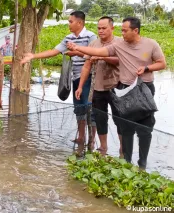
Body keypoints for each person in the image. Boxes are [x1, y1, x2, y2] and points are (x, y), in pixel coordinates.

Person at [66, 17, 166, 169]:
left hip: (144, 89)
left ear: (136, 31)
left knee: (145, 128)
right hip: (124, 89)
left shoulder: (150, 44)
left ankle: (142, 163)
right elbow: (98, 51)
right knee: (126, 128)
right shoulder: (119, 45)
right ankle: (126, 162)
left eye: (125, 31)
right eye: (122, 30)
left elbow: (162, 63)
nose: (123, 33)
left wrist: (146, 69)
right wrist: (77, 48)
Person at [21, 11, 97, 152]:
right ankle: (81, 137)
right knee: (79, 108)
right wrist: (33, 56)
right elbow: (54, 51)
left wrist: (76, 52)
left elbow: (94, 55)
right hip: (75, 77)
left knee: (89, 108)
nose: (69, 24)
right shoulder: (68, 38)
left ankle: (92, 140)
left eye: (70, 21)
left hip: (88, 78)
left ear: (79, 23)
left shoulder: (91, 36)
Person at [75, 16, 122, 156]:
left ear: (112, 28)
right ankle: (103, 147)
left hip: (117, 87)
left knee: (119, 118)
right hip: (98, 87)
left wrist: (102, 57)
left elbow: (119, 61)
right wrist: (80, 86)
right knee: (100, 118)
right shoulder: (94, 44)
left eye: (104, 28)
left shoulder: (120, 43)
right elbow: (86, 66)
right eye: (99, 28)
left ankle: (122, 149)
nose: (100, 31)